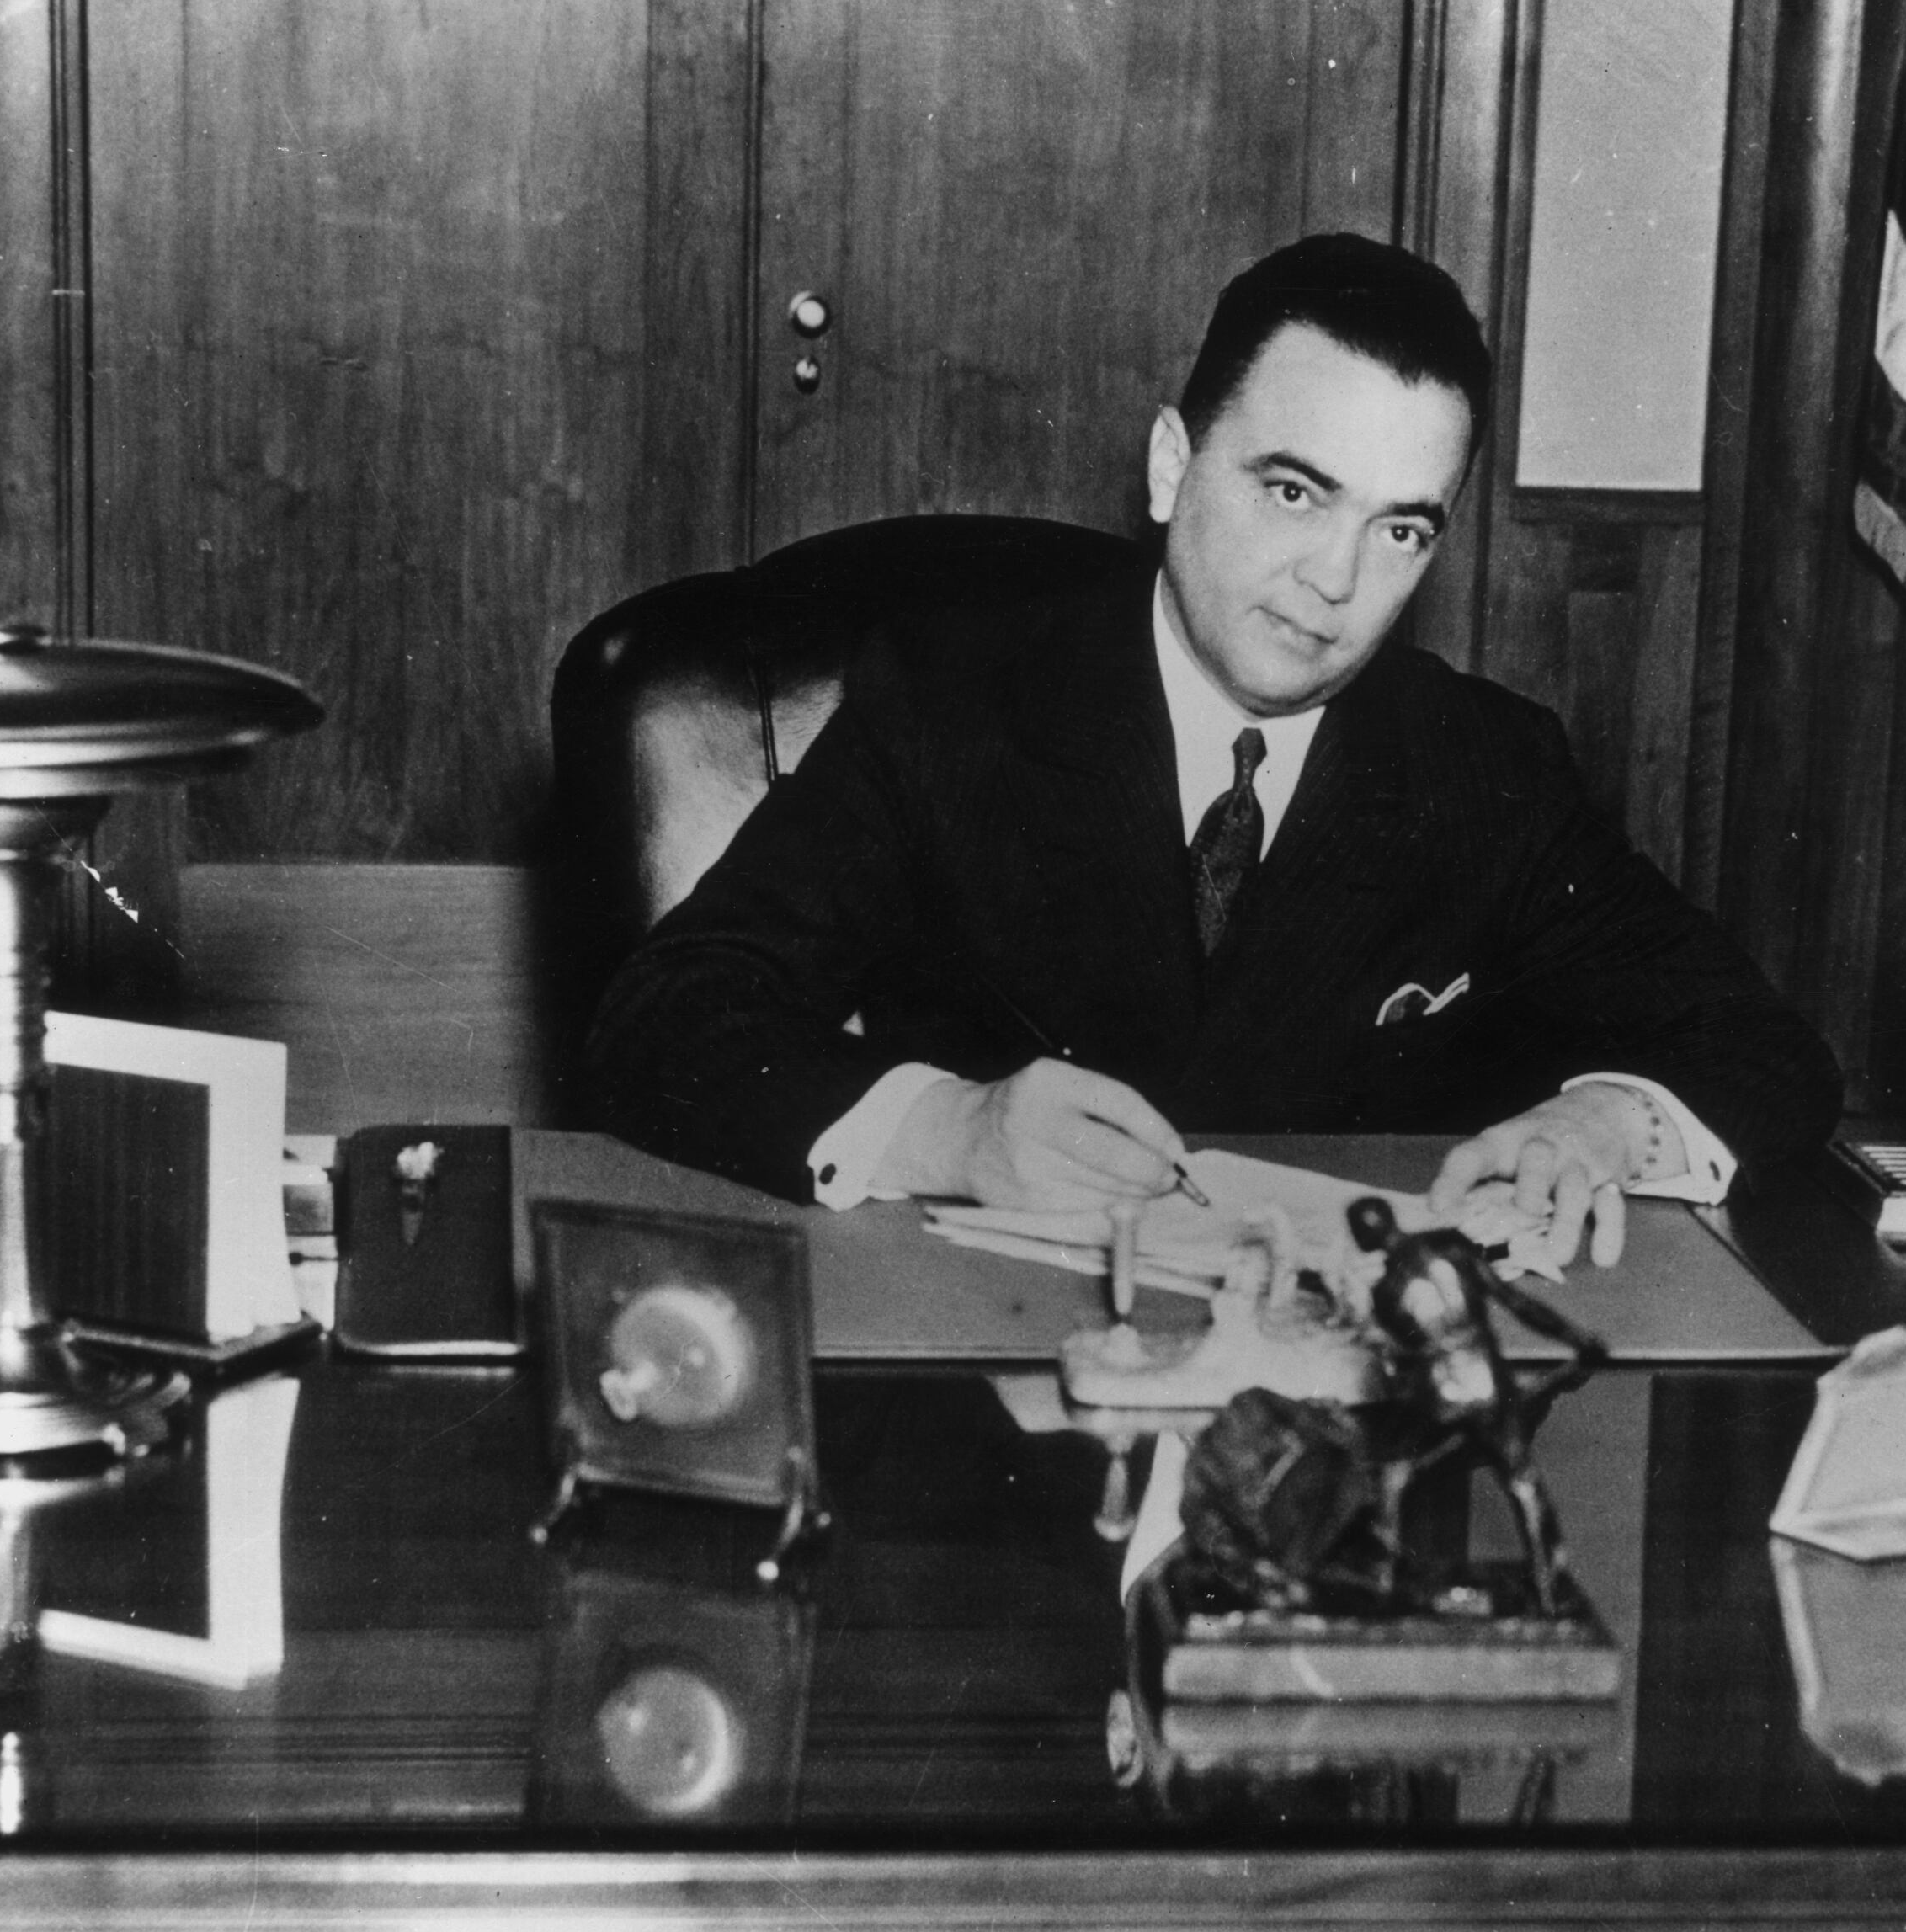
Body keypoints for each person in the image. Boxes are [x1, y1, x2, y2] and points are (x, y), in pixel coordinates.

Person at [583, 233, 1839, 1268]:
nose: (1333, 582)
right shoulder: (956, 699)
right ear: (1170, 466)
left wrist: (1600, 1124)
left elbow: (1761, 1048)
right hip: (982, 1378)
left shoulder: (1481, 769)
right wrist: (948, 1130)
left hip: (1326, 1435)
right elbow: (667, 1016)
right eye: (1292, 492)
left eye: (1399, 529)